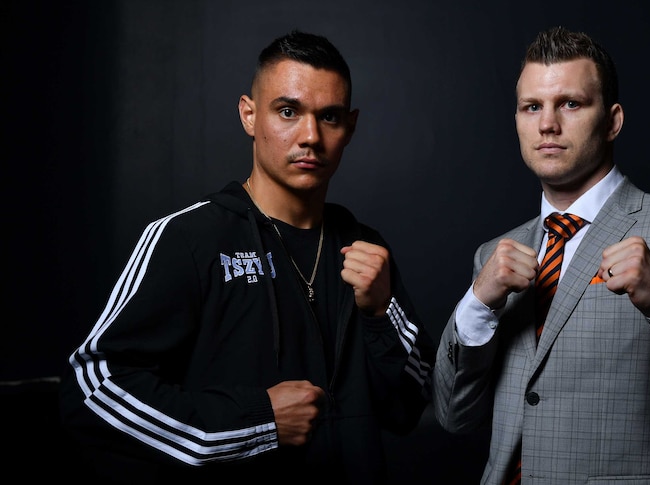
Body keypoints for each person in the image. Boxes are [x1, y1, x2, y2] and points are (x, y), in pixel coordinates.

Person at [59, 30, 435, 484]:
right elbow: (91, 391)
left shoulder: (366, 249)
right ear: (249, 115)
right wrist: (256, 422)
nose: (311, 136)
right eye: (288, 111)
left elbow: (408, 408)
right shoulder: (190, 237)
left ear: (349, 128)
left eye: (329, 117)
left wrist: (379, 314)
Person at [432, 26, 650, 484]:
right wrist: (477, 304)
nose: (547, 124)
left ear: (612, 120)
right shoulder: (494, 255)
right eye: (532, 107)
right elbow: (454, 416)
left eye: (570, 104)